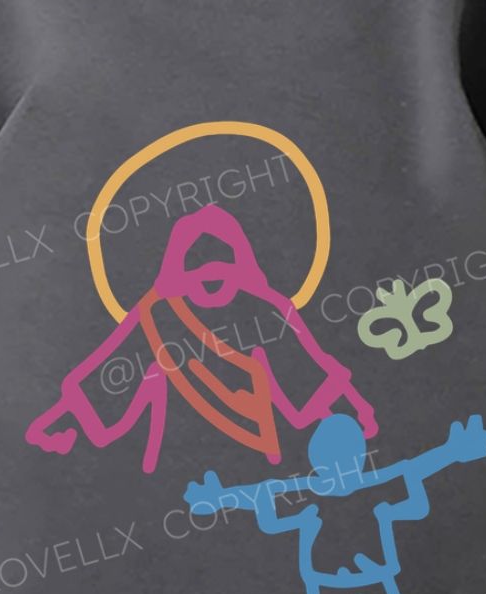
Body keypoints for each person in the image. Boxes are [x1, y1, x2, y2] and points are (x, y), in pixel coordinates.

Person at [26, 203, 377, 474]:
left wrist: (354, 410)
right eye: (197, 270)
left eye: (221, 269)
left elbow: (307, 377)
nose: (210, 281)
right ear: (177, 270)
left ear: (240, 265)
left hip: (251, 460)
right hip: (174, 460)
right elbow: (111, 378)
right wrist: (61, 420)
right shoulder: (157, 316)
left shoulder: (263, 310)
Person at [185, 412, 486, 594]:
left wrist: (220, 498)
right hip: (368, 576)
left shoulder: (311, 495)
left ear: (316, 460)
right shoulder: (374, 487)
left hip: (332, 582)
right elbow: (414, 470)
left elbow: (262, 495)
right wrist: (452, 452)